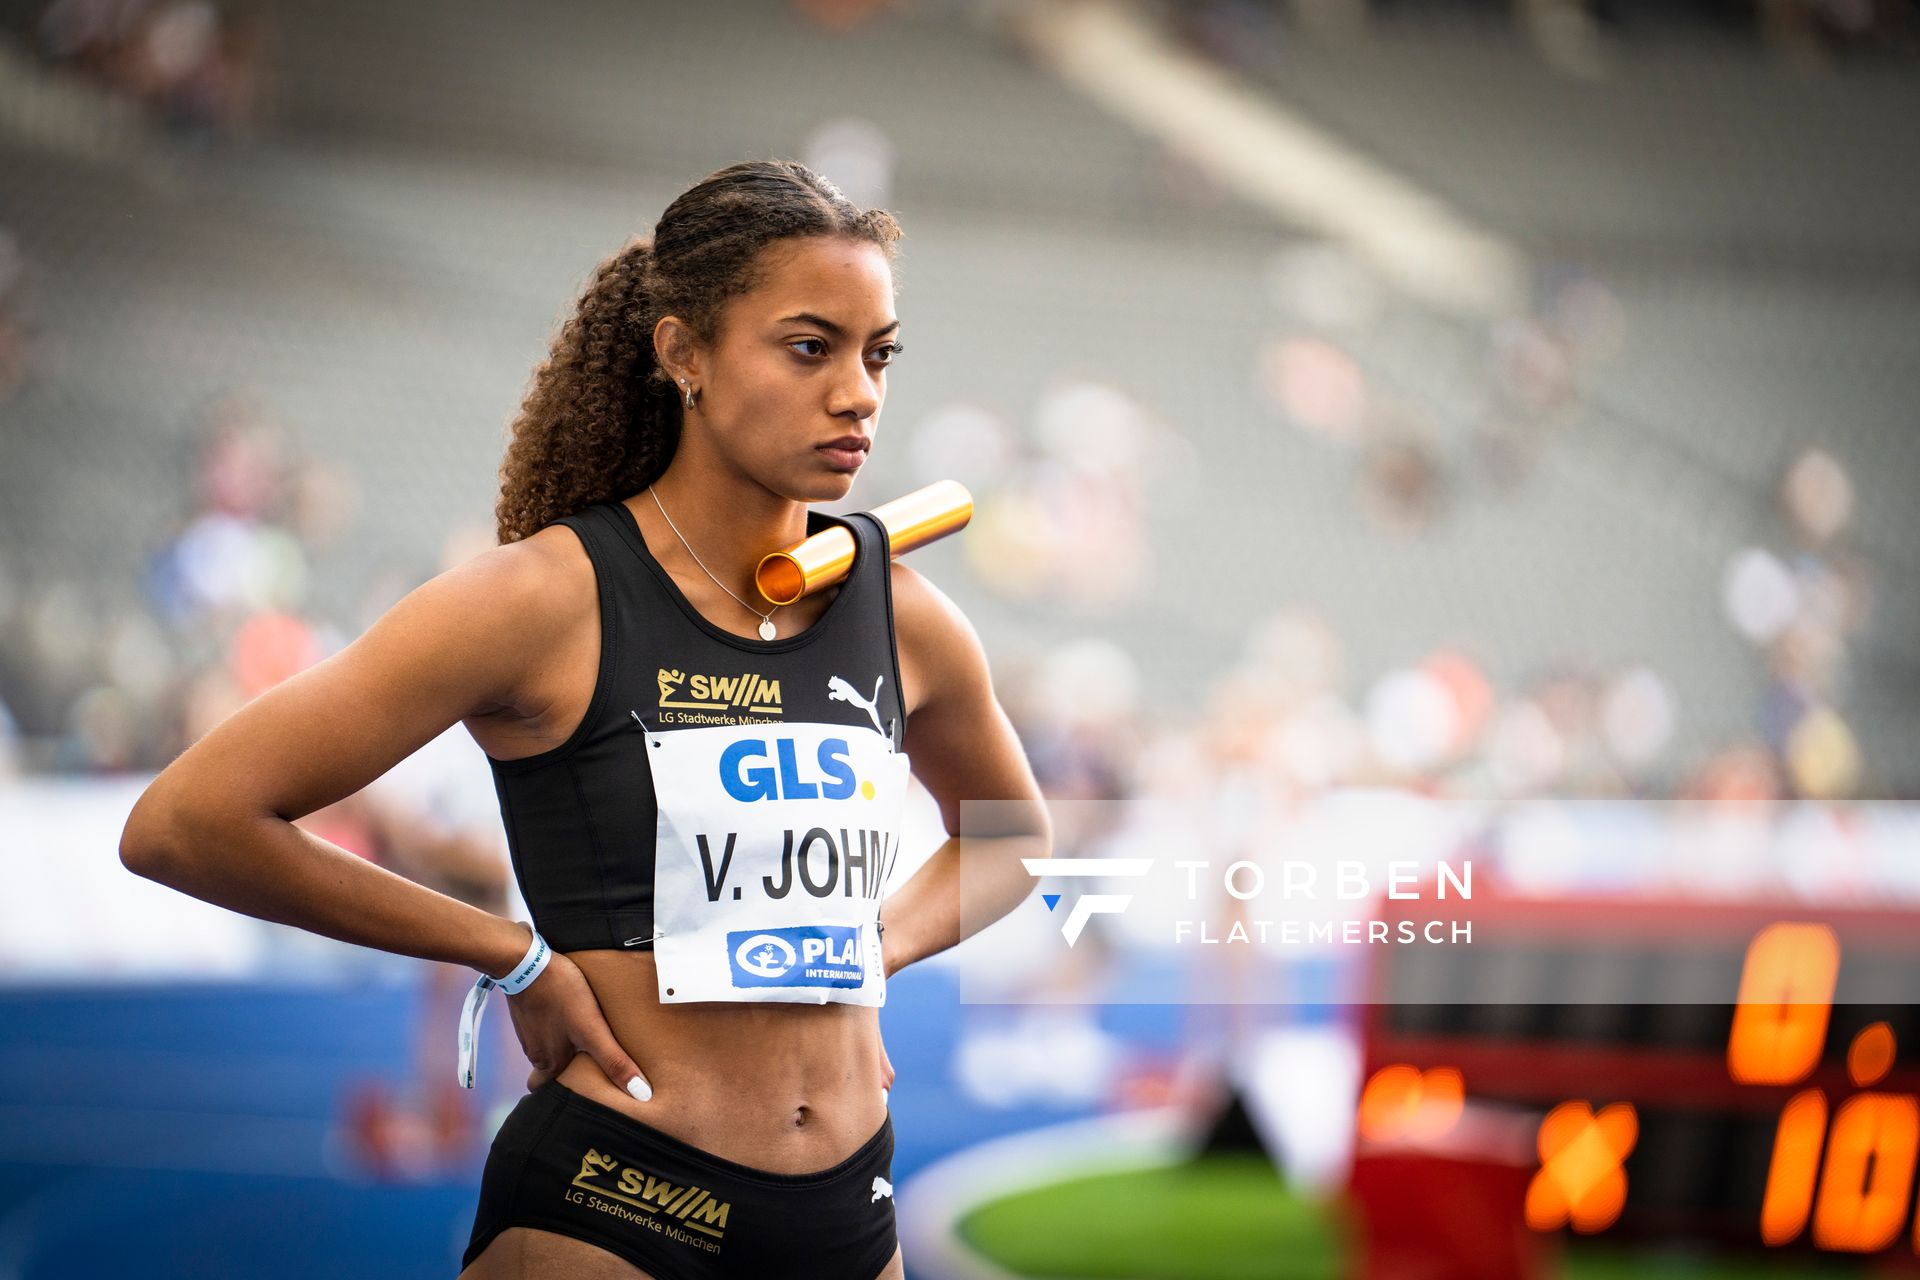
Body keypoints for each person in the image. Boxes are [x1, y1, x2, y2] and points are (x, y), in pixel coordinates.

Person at [119, 159, 1050, 1279]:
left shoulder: (903, 611)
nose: (858, 391)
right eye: (811, 347)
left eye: (877, 353)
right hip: (616, 1203)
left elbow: (1010, 835)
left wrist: (872, 945)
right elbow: (186, 820)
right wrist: (510, 955)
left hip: (854, 1211)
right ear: (683, 353)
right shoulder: (540, 599)